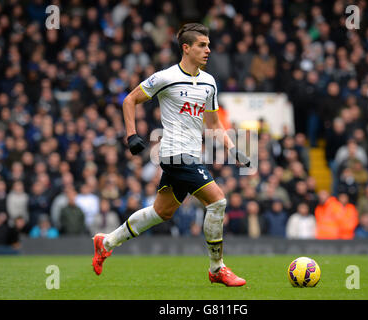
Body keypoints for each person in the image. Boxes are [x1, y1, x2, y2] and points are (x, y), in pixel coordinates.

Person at [91, 23, 250, 287]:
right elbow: (129, 100)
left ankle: (106, 241)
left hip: (191, 155)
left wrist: (233, 149)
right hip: (174, 154)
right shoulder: (166, 77)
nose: (208, 50)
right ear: (186, 48)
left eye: (209, 45)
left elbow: (213, 125)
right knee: (218, 202)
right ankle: (217, 268)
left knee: (161, 212)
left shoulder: (209, 83)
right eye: (202, 45)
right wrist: (131, 135)